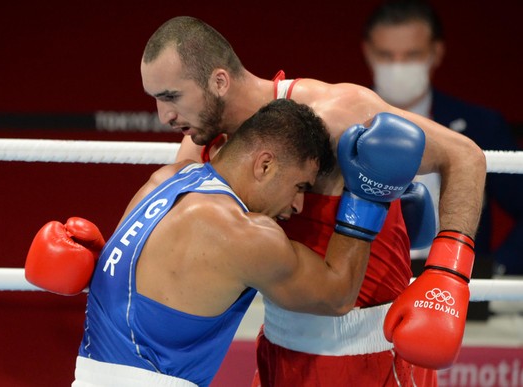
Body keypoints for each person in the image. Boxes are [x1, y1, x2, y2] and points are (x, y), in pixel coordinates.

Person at [140, 16, 486, 386]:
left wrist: (447, 274)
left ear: (219, 81)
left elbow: (464, 157)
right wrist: (94, 257)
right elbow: (164, 232)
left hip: (371, 356)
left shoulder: (336, 112)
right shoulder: (202, 141)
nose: (165, 116)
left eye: (171, 97)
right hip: (279, 351)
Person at [24, 98, 427, 386]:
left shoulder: (165, 181)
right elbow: (337, 294)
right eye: (300, 185)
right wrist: (368, 197)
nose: (299, 204)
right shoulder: (242, 232)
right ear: (265, 164)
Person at [362, 0, 523, 276]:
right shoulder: (339, 120)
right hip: (359, 289)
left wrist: (494, 269)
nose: (397, 67)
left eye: (411, 55)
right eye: (386, 55)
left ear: (435, 53)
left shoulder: (481, 125)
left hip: (453, 287)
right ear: (368, 52)